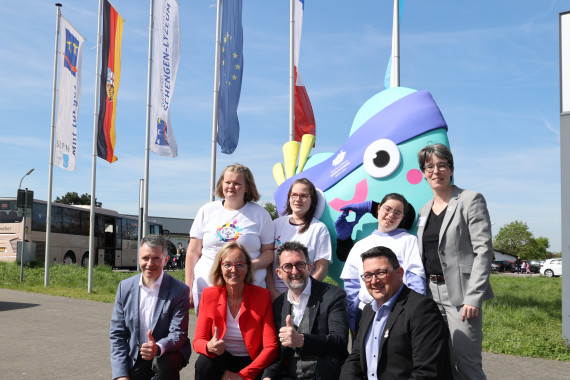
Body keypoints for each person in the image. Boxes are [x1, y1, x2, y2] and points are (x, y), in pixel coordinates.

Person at [417, 143, 494, 380]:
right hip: (430, 296)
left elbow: (484, 251)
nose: (435, 171)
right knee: (442, 363)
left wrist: (474, 296)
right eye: (429, 167)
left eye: (441, 165)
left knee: (467, 365)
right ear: (423, 173)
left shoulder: (470, 199)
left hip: (461, 296)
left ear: (451, 169)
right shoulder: (424, 210)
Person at [340, 246, 451, 379]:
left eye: (381, 272)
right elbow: (356, 359)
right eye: (368, 275)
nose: (374, 281)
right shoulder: (368, 310)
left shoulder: (422, 309)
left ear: (400, 273)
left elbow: (427, 372)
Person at [186, 163, 275, 313]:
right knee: (210, 334)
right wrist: (188, 285)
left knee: (247, 334)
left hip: (249, 287)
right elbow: (193, 252)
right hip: (208, 287)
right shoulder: (206, 210)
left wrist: (249, 266)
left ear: (247, 187)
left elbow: (269, 252)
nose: (231, 187)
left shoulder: (261, 214)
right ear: (221, 184)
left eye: (237, 183)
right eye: (227, 182)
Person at [339, 193, 426, 337]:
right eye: (387, 209)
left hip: (398, 311)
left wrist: (415, 312)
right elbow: (351, 287)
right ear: (378, 209)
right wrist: (352, 319)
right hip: (365, 313)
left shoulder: (409, 241)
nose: (391, 215)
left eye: (397, 213)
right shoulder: (360, 245)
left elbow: (416, 281)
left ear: (402, 217)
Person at [262, 241, 348, 380]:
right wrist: (268, 376)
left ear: (309, 267)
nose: (295, 271)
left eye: (300, 264)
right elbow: (278, 351)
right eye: (288, 266)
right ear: (279, 273)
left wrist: (301, 340)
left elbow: (339, 341)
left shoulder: (333, 295)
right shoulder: (279, 304)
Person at [110, 234, 191, 380]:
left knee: (163, 364)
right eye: (145, 258)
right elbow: (117, 335)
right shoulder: (125, 287)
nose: (149, 264)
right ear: (139, 258)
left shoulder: (180, 290)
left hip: (167, 353)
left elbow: (178, 333)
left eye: (156, 258)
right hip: (138, 355)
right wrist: (120, 375)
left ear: (165, 260)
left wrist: (158, 347)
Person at [193, 242, 278, 380]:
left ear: (247, 268)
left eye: (240, 264)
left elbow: (271, 346)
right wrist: (209, 346)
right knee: (204, 363)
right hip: (223, 359)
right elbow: (198, 341)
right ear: (220, 268)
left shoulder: (262, 296)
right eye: (228, 264)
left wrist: (242, 375)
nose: (234, 270)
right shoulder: (209, 295)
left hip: (252, 361)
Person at [267, 178, 332, 299]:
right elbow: (268, 263)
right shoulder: (275, 224)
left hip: (304, 296)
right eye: (294, 195)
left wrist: (303, 293)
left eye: (303, 196)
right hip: (275, 295)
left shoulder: (319, 229)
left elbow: (322, 268)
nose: (297, 199)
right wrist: (272, 292)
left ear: (312, 200)